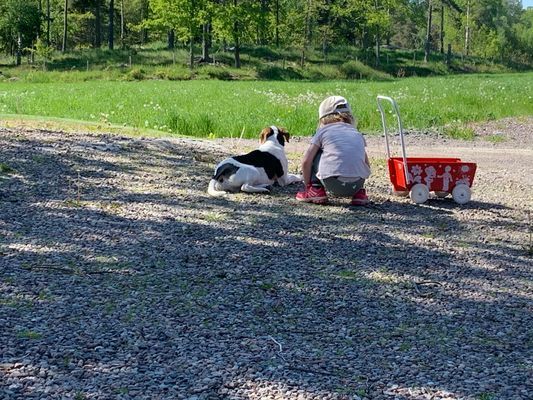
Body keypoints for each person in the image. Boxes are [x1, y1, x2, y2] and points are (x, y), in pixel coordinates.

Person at [295, 95, 371, 205]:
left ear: (323, 118)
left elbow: (306, 161)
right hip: (356, 185)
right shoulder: (357, 133)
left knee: (316, 153)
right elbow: (366, 165)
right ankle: (359, 194)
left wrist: (307, 185)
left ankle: (314, 190)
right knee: (352, 154)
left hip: (332, 183)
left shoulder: (323, 131)